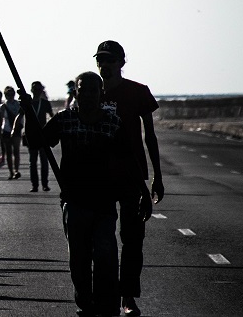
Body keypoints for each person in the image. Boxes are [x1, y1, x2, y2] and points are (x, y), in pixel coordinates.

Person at [25, 71, 151, 317]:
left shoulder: (112, 123)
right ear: (76, 93)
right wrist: (29, 112)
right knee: (79, 260)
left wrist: (143, 193)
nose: (88, 95)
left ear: (101, 93)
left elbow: (130, 160)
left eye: (94, 90)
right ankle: (85, 302)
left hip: (104, 201)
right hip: (74, 201)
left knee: (105, 256)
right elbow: (36, 141)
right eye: (83, 90)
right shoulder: (64, 120)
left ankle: (107, 305)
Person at [95, 40, 164, 317]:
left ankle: (127, 296)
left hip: (132, 177)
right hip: (98, 178)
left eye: (110, 60)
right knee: (101, 240)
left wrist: (157, 177)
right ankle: (105, 294)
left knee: (133, 240)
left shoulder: (138, 92)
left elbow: (150, 135)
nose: (105, 65)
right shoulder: (89, 94)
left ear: (121, 62)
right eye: (100, 60)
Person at [27, 81, 54, 192]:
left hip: (43, 134)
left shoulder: (45, 103)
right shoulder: (28, 103)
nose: (37, 91)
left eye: (39, 89)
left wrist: (52, 130)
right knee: (32, 162)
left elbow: (52, 116)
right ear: (32, 90)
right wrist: (15, 128)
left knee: (44, 160)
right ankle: (34, 185)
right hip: (31, 134)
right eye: (35, 89)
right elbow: (20, 115)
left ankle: (45, 184)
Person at [1, 86, 23, 180]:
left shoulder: (18, 104)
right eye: (8, 94)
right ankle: (11, 172)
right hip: (6, 129)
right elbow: (0, 118)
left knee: (16, 151)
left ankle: (16, 170)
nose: (10, 96)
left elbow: (21, 116)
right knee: (8, 152)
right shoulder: (3, 106)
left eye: (11, 94)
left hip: (17, 130)